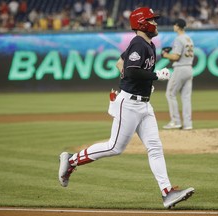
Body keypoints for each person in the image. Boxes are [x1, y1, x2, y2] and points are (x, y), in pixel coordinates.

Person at [58, 7, 194, 208]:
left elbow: (120, 63)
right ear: (142, 23)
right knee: (115, 147)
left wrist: (135, 82)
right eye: (152, 20)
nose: (155, 23)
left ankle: (167, 193)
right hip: (130, 104)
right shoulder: (139, 44)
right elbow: (131, 71)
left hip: (144, 104)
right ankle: (71, 160)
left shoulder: (144, 43)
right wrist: (155, 76)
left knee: (155, 148)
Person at [161, 18, 194, 130]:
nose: (173, 26)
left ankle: (176, 121)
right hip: (189, 68)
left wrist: (165, 55)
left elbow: (176, 57)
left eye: (174, 24)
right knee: (186, 97)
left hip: (180, 69)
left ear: (178, 26)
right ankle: (188, 124)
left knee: (170, 94)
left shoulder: (178, 39)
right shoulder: (189, 39)